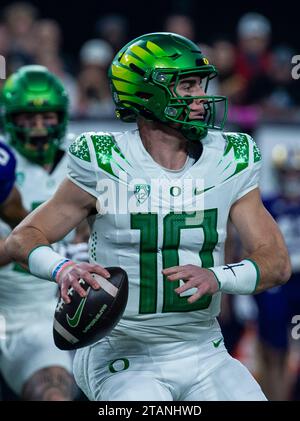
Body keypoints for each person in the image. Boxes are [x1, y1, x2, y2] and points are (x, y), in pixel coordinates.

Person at [5, 33, 291, 401]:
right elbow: (23, 238)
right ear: (146, 94)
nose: (201, 98)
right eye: (187, 86)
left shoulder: (230, 158)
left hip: (205, 349)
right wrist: (63, 270)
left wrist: (217, 277)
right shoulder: (103, 160)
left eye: (201, 85)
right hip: (123, 353)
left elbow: (276, 262)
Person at [0, 65, 77, 400]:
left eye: (46, 117)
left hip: (66, 303)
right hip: (15, 311)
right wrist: (38, 249)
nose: (38, 128)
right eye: (27, 120)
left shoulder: (83, 159)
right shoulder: (4, 163)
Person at [254, 144, 300, 400]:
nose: (292, 179)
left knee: (294, 343)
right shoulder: (268, 203)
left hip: (297, 282)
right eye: (288, 173)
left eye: (296, 174)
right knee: (272, 347)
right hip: (275, 281)